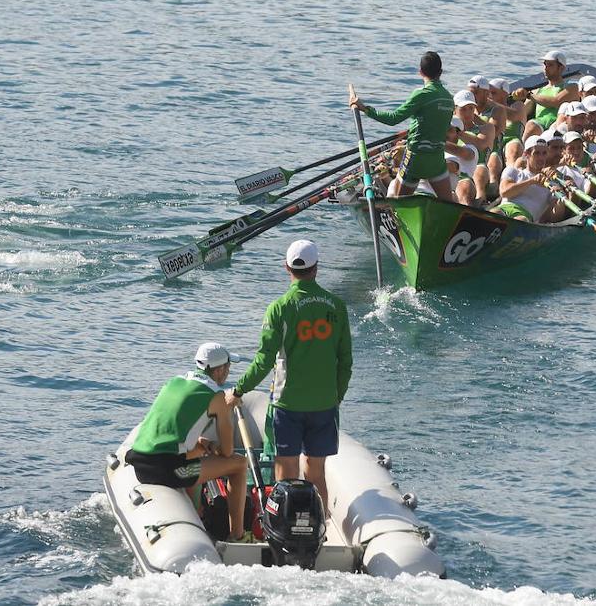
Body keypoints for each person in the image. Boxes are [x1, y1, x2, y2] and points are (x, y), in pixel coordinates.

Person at [226, 240, 353, 517]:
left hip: (288, 405)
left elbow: (264, 361)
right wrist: (336, 396)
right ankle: (319, 522)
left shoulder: (279, 308)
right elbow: (345, 361)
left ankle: (285, 521)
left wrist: (238, 390)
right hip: (324, 404)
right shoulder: (336, 306)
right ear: (316, 268)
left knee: (286, 469)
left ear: (287, 267)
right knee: (316, 471)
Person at [125, 342, 249, 542]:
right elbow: (227, 452)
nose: (228, 371)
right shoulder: (217, 397)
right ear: (219, 370)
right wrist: (218, 439)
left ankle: (196, 512)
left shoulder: (174, 382)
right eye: (228, 366)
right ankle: (238, 535)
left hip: (141, 464)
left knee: (197, 449)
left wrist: (204, 444)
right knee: (239, 464)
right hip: (172, 472)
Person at [350, 51, 455, 200]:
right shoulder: (449, 99)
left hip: (415, 159)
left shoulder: (421, 94)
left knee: (400, 205)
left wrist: (365, 109)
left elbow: (393, 119)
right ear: (441, 72)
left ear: (420, 72)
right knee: (448, 203)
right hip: (437, 161)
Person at [496, 135, 557, 222]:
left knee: (521, 220)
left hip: (525, 216)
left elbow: (555, 217)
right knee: (495, 213)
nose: (541, 158)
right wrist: (531, 181)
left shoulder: (552, 184)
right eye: (537, 153)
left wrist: (559, 198)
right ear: (526, 154)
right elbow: (504, 192)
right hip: (505, 208)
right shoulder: (513, 171)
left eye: (544, 153)